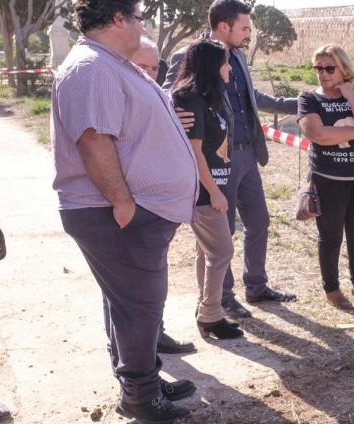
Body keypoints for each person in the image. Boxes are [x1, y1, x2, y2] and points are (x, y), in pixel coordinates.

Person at [52, 0, 198, 424]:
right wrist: (123, 203)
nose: (141, 24)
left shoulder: (109, 64)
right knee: (140, 306)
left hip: (128, 210)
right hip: (113, 212)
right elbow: (95, 141)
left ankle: (143, 381)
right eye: (138, 17)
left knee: (133, 304)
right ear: (118, 19)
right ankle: (140, 395)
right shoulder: (92, 68)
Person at [164, 0, 297, 319]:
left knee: (259, 222)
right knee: (220, 235)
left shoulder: (237, 55)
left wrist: (298, 103)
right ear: (224, 26)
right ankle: (221, 297)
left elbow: (253, 99)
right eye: (245, 27)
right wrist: (177, 113)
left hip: (248, 154)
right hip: (214, 161)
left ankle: (257, 286)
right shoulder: (189, 55)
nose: (249, 33)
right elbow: (169, 94)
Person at [298, 44, 354, 310]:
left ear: (344, 69)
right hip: (328, 180)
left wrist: (349, 95)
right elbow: (318, 134)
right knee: (331, 236)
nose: (322, 73)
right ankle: (332, 289)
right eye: (318, 68)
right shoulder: (309, 99)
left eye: (329, 68)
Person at [172, 39, 245, 340]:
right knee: (222, 250)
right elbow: (195, 152)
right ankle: (211, 316)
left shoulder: (212, 96)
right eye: (225, 62)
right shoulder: (191, 99)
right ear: (210, 67)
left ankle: (206, 309)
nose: (229, 67)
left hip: (217, 183)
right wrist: (214, 191)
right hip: (203, 190)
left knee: (207, 250)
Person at [127, 35, 196, 354]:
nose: (149, 73)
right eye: (142, 65)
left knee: (153, 284)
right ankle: (133, 355)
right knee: (127, 287)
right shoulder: (120, 93)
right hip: (131, 206)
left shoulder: (159, 95)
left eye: (155, 67)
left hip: (157, 208)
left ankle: (155, 335)